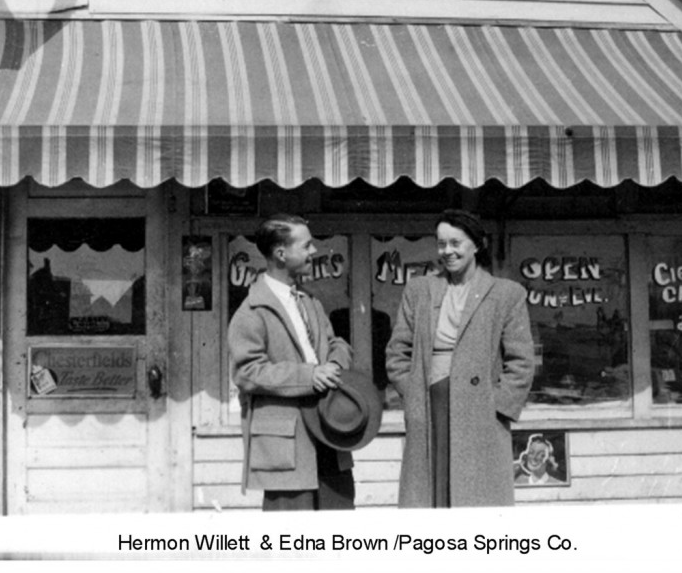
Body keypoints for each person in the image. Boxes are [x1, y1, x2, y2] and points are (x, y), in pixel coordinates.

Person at [386, 209, 534, 508]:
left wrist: (497, 406)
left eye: (456, 243)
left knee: (476, 499)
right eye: (441, 244)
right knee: (430, 495)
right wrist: (414, 391)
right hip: (429, 402)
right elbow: (396, 352)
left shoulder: (506, 293)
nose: (447, 252)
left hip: (480, 410)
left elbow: (522, 362)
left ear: (477, 244)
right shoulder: (419, 290)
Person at [228, 213, 356, 511]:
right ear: (281, 254)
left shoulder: (311, 302)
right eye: (307, 245)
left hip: (330, 434)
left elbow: (337, 344)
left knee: (341, 537)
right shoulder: (251, 312)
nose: (314, 252)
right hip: (286, 446)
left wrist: (335, 365)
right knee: (291, 544)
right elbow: (247, 372)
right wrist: (310, 376)